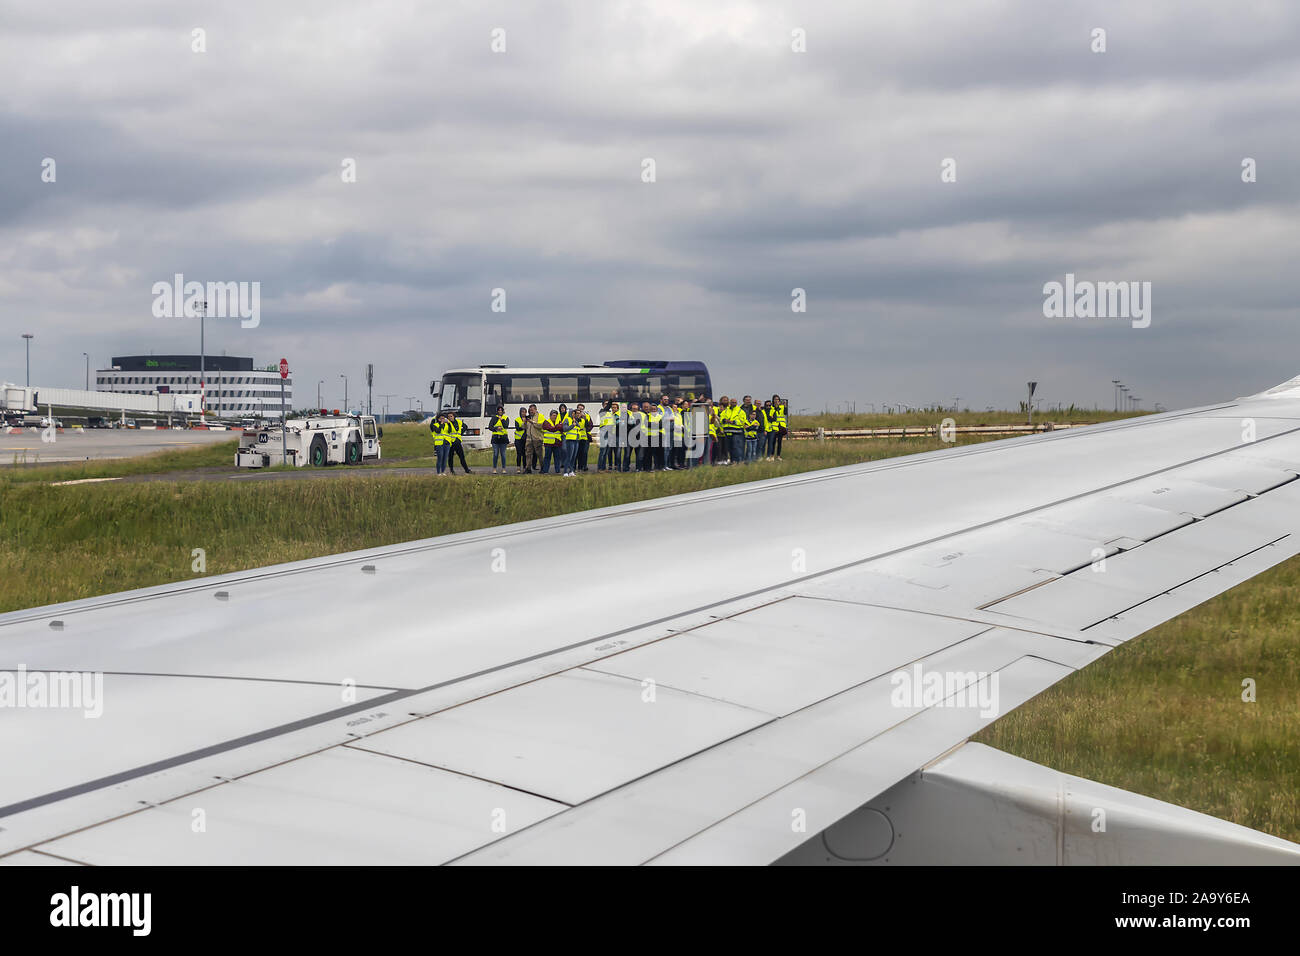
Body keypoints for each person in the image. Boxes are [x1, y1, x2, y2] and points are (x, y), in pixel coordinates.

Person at [489, 404, 510, 474]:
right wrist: (496, 428)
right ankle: (494, 468)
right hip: (495, 438)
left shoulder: (506, 418)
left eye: (501, 410)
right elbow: (490, 427)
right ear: (497, 411)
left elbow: (506, 426)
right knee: (495, 454)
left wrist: (502, 419)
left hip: (503, 438)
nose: (500, 411)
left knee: (503, 454)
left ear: (503, 411)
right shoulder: (494, 418)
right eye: (499, 410)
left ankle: (504, 468)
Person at [541, 408, 564, 474]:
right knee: (547, 457)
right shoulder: (546, 422)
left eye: (556, 415)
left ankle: (557, 471)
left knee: (557, 458)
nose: (555, 417)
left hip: (557, 443)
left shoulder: (559, 421)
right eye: (553, 415)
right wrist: (557, 427)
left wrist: (557, 427)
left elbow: (562, 428)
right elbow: (550, 428)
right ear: (550, 416)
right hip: (548, 443)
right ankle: (545, 471)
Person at [597, 401, 617, 472]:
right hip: (604, 433)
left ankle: (603, 468)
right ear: (603, 405)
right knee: (602, 452)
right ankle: (599, 468)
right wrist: (611, 399)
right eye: (605, 404)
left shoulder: (610, 413)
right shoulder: (602, 411)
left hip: (610, 433)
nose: (607, 405)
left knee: (606, 452)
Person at [573, 403, 592, 472]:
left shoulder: (586, 417)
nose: (580, 410)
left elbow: (590, 425)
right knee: (576, 453)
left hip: (584, 438)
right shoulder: (573, 418)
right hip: (576, 438)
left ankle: (583, 466)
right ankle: (574, 467)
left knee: (584, 453)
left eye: (581, 409)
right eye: (579, 409)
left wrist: (585, 418)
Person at [524, 404, 543, 473]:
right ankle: (528, 469)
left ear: (535, 409)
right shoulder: (528, 417)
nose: (530, 411)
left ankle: (543, 468)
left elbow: (541, 425)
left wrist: (533, 422)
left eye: (532, 410)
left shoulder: (540, 416)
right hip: (529, 439)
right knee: (528, 454)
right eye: (529, 410)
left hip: (537, 438)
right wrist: (525, 422)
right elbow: (524, 427)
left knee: (539, 454)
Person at [770, 393, 787, 460]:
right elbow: (770, 417)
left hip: (781, 426)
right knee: (773, 442)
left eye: (777, 399)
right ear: (773, 400)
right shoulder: (771, 408)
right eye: (775, 399)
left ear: (779, 401)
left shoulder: (782, 407)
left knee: (779, 442)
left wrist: (785, 406)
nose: (776, 400)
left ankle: (778, 456)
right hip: (774, 427)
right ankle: (772, 456)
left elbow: (785, 413)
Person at [513, 405, 529, 473]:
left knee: (525, 454)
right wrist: (524, 424)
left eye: (525, 412)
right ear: (520, 412)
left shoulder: (528, 419)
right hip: (518, 439)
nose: (524, 413)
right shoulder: (517, 419)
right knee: (519, 453)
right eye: (522, 412)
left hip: (525, 438)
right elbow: (518, 428)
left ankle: (525, 467)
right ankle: (518, 467)